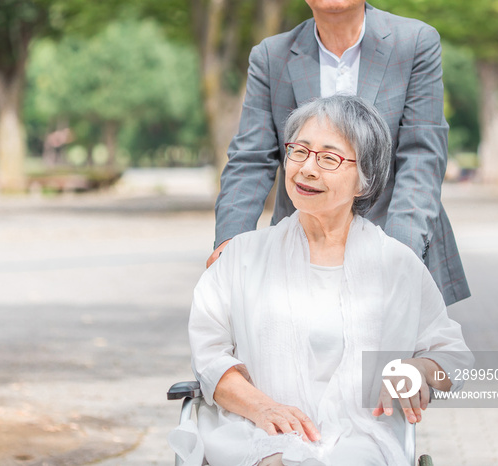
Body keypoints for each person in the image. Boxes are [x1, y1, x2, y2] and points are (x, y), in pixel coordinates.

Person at [169, 96, 473, 465]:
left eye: (329, 158)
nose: (307, 169)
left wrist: (417, 369)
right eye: (299, 152)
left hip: (360, 433)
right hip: (254, 426)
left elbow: (453, 357)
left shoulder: (397, 265)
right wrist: (264, 409)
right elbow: (209, 356)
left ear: (364, 180)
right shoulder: (240, 258)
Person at [208, 0, 470, 306]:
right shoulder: (271, 55)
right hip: (303, 249)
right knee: (294, 350)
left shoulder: (414, 43)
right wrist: (230, 241)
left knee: (395, 354)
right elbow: (250, 160)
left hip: (395, 235)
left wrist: (399, 254)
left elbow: (421, 155)